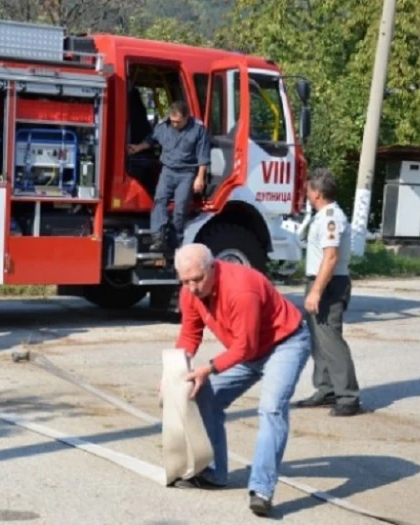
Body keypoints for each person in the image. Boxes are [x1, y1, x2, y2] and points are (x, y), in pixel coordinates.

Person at [171, 243, 311, 518]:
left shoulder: (240, 289)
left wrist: (207, 369)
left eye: (197, 280)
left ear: (213, 267)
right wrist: (174, 372)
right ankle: (214, 473)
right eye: (185, 281)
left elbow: (244, 347)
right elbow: (190, 334)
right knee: (202, 394)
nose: (192, 288)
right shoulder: (190, 292)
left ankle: (261, 490)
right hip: (249, 349)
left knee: (271, 408)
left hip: (284, 343)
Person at [293, 168, 361, 416]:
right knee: (319, 339)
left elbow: (330, 258)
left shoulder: (331, 218)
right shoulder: (323, 215)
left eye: (309, 189)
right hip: (321, 281)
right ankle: (327, 388)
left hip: (329, 283)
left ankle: (348, 396)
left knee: (331, 340)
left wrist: (316, 291)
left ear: (318, 192)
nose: (307, 193)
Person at [128, 100, 210, 252]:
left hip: (187, 173)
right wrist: (137, 148)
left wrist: (200, 178)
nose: (174, 125)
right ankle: (158, 238)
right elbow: (151, 140)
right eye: (172, 121)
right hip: (167, 171)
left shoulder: (198, 130)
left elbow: (203, 156)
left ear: (186, 118)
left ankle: (175, 241)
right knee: (159, 201)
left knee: (180, 208)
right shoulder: (163, 127)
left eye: (178, 122)